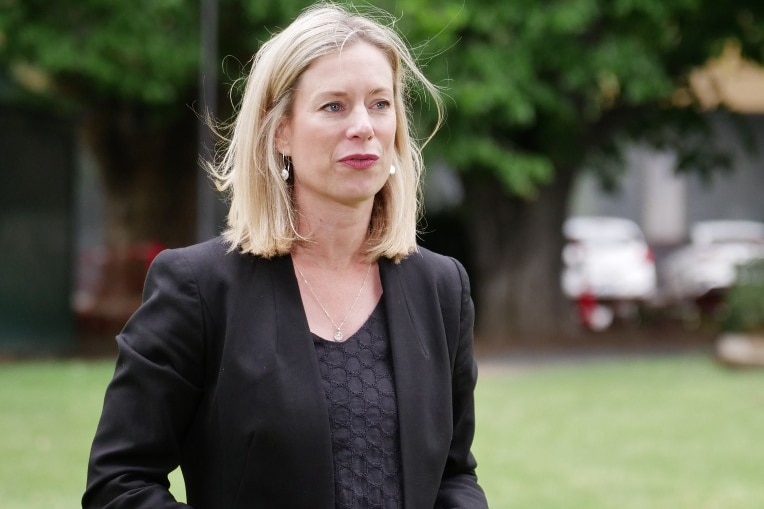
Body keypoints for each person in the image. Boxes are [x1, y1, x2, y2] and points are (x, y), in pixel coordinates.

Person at [82, 3, 488, 508]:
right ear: (281, 132)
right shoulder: (198, 288)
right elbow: (119, 483)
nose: (363, 125)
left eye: (380, 104)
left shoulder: (441, 287)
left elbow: (453, 475)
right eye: (334, 106)